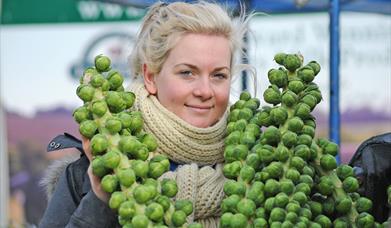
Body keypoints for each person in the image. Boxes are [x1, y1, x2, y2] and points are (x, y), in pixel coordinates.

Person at [39, 1, 252, 227]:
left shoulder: (258, 168)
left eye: (219, 75)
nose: (205, 91)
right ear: (150, 76)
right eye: (187, 73)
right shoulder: (88, 175)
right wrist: (100, 201)